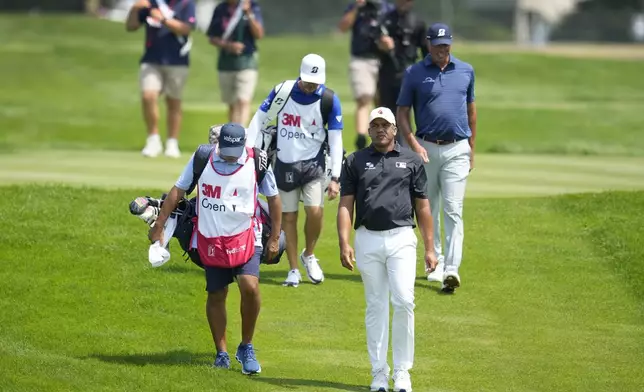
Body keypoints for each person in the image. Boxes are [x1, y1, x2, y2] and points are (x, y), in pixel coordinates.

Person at [148, 123, 282, 374]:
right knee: (217, 293)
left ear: (244, 144)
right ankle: (221, 353)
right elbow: (178, 190)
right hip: (211, 236)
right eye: (226, 148)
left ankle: (246, 346)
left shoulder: (257, 160)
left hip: (246, 234)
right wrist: (160, 224)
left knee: (249, 286)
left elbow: (273, 199)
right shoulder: (203, 157)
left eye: (235, 149)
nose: (230, 154)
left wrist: (274, 237)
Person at [337, 107, 438, 392]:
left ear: (395, 130)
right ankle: (379, 372)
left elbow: (423, 206)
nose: (380, 129)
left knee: (404, 300)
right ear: (368, 130)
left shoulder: (412, 160)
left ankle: (403, 373)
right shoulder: (355, 161)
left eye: (386, 125)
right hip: (367, 238)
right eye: (375, 125)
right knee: (376, 305)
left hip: (402, 237)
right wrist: (344, 242)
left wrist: (430, 249)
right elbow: (346, 204)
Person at [246, 54, 344, 288]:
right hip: (284, 163)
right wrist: (248, 153)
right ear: (300, 75)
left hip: (314, 165)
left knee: (315, 211)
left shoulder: (329, 99)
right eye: (308, 80)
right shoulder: (283, 91)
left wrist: (335, 178)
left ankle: (308, 254)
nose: (311, 85)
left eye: (316, 81)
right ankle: (293, 270)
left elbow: (336, 138)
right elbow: (259, 119)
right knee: (288, 217)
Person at [396, 23, 477, 293]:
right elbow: (402, 112)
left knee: (453, 209)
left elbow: (471, 111)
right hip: (425, 148)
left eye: (446, 44)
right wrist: (413, 145)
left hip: (457, 148)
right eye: (438, 45)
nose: (443, 50)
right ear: (428, 45)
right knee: (428, 208)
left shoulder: (465, 70)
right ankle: (436, 261)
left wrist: (471, 148)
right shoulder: (415, 73)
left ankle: (452, 268)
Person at [125, 0, 196, 158]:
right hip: (151, 59)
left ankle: (172, 142)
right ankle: (153, 139)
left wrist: (162, 19)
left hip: (177, 60)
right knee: (148, 96)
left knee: (174, 102)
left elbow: (185, 29)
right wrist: (135, 9)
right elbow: (131, 26)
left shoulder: (185, 3)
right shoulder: (150, 3)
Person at [338, 0, 394, 150]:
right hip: (362, 59)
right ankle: (361, 139)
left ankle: (383, 141)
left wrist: (388, 44)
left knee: (383, 103)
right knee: (364, 98)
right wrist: (357, 7)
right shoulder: (357, 7)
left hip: (384, 60)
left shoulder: (387, 8)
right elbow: (343, 27)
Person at [375, 0, 427, 145]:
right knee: (386, 113)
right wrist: (381, 46)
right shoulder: (384, 20)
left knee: (404, 113)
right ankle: (386, 147)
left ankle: (405, 149)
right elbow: (370, 47)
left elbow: (425, 52)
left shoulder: (418, 22)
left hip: (408, 73)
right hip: (387, 73)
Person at [207, 0, 264, 126]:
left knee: (243, 100)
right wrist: (228, 46)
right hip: (226, 63)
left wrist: (248, 14)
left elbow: (259, 34)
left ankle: (241, 134)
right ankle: (233, 134)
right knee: (232, 103)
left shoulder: (252, 7)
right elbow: (212, 37)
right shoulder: (221, 9)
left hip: (246, 62)